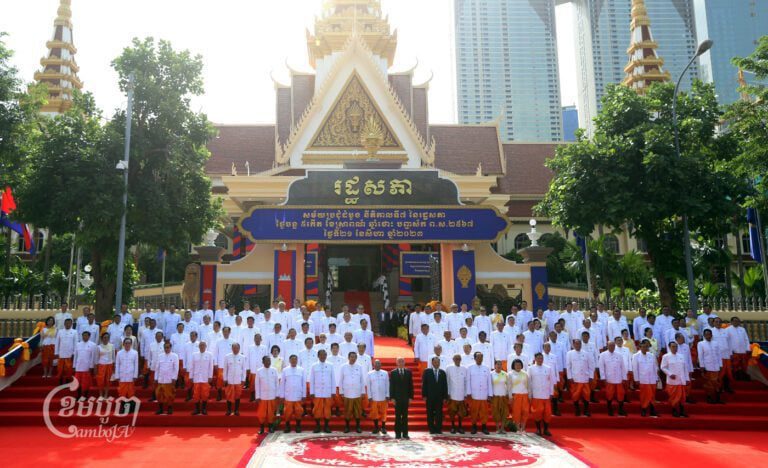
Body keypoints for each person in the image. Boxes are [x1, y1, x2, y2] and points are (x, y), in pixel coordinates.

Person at [529, 353, 556, 436]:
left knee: (547, 413)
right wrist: (530, 394)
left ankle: (546, 429)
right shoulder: (531, 368)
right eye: (538, 358)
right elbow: (529, 382)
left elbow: (552, 381)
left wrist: (551, 392)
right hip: (536, 395)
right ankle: (538, 429)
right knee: (537, 413)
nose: (540, 360)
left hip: (546, 394)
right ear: (535, 359)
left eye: (541, 358)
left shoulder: (548, 368)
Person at [598, 341, 627, 416]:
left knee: (621, 394)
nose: (612, 347)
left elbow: (623, 367)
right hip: (609, 378)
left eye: (613, 346)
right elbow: (601, 367)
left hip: (618, 378)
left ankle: (621, 410)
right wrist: (603, 378)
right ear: (607, 346)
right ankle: (610, 409)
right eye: (610, 346)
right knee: (609, 394)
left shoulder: (619, 355)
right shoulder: (602, 355)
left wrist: (624, 377)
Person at [661, 341, 689, 417]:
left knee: (682, 397)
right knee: (673, 397)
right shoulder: (666, 356)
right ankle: (674, 410)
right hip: (672, 381)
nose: (674, 348)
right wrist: (670, 374)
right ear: (669, 347)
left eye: (676, 346)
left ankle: (682, 411)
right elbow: (663, 367)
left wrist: (687, 378)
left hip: (681, 380)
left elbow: (685, 368)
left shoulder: (681, 356)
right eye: (673, 347)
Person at [466, 351, 492, 434]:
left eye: (481, 357)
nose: (480, 359)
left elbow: (489, 382)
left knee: (484, 412)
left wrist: (490, 394)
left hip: (484, 394)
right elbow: (468, 381)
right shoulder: (470, 368)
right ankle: (474, 426)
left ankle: (484, 427)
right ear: (474, 358)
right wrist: (468, 392)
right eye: (478, 357)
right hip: (474, 394)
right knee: (474, 411)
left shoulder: (486, 368)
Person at [309, 349, 335, 433]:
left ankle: (327, 426)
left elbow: (333, 379)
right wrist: (312, 392)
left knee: (327, 409)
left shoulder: (331, 365)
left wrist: (333, 391)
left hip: (327, 391)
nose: (323, 356)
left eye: (324, 355)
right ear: (318, 356)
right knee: (317, 409)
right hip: (317, 391)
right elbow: (312, 380)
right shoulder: (314, 366)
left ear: (326, 356)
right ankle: (318, 426)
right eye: (321, 355)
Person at [339, 351, 366, 433]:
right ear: (348, 357)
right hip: (347, 392)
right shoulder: (343, 367)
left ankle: (358, 426)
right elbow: (341, 380)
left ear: (356, 358)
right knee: (347, 410)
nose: (353, 358)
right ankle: (347, 426)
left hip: (357, 393)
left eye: (354, 357)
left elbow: (362, 380)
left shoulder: (360, 367)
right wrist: (341, 392)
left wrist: (363, 391)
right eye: (351, 357)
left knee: (358, 410)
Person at [566, 339, 593, 417]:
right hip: (575, 378)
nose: (578, 345)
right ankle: (577, 409)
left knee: (587, 395)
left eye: (579, 344)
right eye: (576, 344)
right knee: (575, 395)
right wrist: (569, 377)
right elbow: (568, 366)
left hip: (585, 378)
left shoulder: (586, 354)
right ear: (573, 345)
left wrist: (591, 376)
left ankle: (586, 410)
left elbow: (591, 365)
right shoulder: (569, 354)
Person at [632, 339, 659, 417]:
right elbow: (635, 368)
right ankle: (643, 409)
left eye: (646, 347)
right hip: (643, 379)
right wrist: (636, 379)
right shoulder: (636, 356)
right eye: (643, 347)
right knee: (644, 395)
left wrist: (656, 378)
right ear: (640, 347)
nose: (645, 348)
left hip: (652, 379)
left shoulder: (651, 355)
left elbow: (655, 367)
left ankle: (652, 410)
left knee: (652, 395)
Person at [422, 355, 448, 434]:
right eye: (435, 362)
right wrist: (424, 395)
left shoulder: (442, 372)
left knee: (439, 413)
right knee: (430, 413)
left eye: (438, 362)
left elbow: (445, 385)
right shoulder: (427, 371)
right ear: (432, 363)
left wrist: (445, 397)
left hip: (439, 397)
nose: (437, 363)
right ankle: (431, 429)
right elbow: (424, 384)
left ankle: (438, 429)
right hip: (430, 397)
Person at [389, 356, 414, 439]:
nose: (401, 363)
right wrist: (392, 398)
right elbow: (391, 386)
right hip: (397, 399)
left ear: (404, 362)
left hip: (406, 398)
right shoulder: (393, 373)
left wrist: (411, 397)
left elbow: (411, 386)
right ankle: (398, 433)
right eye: (399, 361)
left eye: (402, 361)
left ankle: (405, 433)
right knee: (397, 417)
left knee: (405, 417)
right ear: (396, 363)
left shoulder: (408, 372)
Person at [697, 328, 724, 404]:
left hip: (716, 366)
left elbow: (719, 354)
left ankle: (718, 398)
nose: (708, 336)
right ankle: (710, 398)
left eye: (709, 334)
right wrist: (702, 366)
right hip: (707, 366)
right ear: (704, 335)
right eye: (706, 334)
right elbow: (700, 356)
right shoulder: (701, 344)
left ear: (711, 335)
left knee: (717, 383)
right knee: (709, 383)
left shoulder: (716, 343)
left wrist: (720, 364)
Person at [280, 354, 306, 432]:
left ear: (297, 360)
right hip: (288, 395)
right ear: (289, 360)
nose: (294, 361)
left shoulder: (301, 370)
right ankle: (287, 426)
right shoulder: (285, 370)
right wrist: (282, 395)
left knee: (299, 411)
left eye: (295, 359)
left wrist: (304, 395)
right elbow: (282, 383)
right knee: (287, 412)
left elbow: (303, 383)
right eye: (292, 359)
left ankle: (298, 426)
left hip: (298, 395)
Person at [254, 355, 280, 433]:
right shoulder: (259, 371)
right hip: (263, 396)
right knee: (262, 413)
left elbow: (277, 383)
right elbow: (257, 384)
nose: (268, 362)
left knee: (271, 413)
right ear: (263, 362)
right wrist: (257, 396)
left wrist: (277, 394)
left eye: (269, 361)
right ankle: (261, 428)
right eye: (266, 361)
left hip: (272, 395)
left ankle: (270, 427)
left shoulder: (274, 370)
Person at [189, 340, 214, 415]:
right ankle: (197, 409)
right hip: (196, 377)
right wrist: (191, 376)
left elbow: (211, 366)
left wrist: (210, 376)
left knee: (205, 394)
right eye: (201, 345)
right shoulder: (194, 355)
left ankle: (204, 409)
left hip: (205, 377)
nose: (202, 347)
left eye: (203, 345)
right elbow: (192, 366)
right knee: (196, 394)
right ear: (198, 346)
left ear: (206, 346)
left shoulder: (209, 354)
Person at [155, 341, 179, 415]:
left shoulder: (175, 356)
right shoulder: (160, 356)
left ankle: (169, 408)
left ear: (170, 348)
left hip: (169, 379)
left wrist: (174, 378)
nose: (166, 349)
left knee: (169, 395)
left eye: (168, 347)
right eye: (165, 347)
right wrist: (156, 378)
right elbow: (157, 368)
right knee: (159, 394)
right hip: (161, 379)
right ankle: (161, 409)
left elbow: (176, 368)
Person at [114, 338, 139, 411]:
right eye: (126, 343)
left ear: (131, 344)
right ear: (123, 344)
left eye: (129, 343)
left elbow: (136, 364)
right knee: (122, 392)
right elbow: (117, 364)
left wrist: (135, 375)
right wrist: (117, 375)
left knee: (130, 392)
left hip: (131, 376)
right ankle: (123, 407)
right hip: (122, 376)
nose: (127, 345)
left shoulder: (135, 353)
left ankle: (131, 408)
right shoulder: (119, 353)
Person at [445, 354, 468, 433]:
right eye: (456, 359)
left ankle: (460, 426)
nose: (458, 360)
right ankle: (453, 426)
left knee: (461, 412)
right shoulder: (449, 368)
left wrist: (466, 393)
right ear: (453, 359)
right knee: (452, 412)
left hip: (461, 394)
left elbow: (466, 382)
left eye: (459, 359)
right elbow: (447, 381)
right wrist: (447, 393)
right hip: (452, 394)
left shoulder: (464, 368)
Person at [367, 359, 390, 434]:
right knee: (374, 412)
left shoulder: (385, 373)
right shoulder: (369, 374)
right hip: (374, 397)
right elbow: (368, 386)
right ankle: (376, 427)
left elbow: (387, 385)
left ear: (381, 365)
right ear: (373, 365)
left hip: (383, 397)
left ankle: (383, 427)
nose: (377, 365)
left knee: (383, 412)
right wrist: (369, 396)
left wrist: (387, 395)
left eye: (379, 364)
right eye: (376, 364)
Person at [73, 331, 97, 399]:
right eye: (83, 335)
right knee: (78, 382)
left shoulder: (93, 345)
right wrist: (74, 366)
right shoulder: (78, 344)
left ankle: (85, 396)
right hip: (78, 367)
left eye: (86, 335)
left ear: (89, 336)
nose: (84, 337)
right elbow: (75, 356)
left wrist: (91, 366)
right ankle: (78, 395)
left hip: (87, 367)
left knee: (86, 383)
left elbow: (93, 357)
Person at [490, 359, 511, 434]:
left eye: (500, 364)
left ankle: (502, 428)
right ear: (494, 365)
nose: (499, 366)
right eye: (497, 364)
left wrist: (509, 395)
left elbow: (509, 385)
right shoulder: (491, 374)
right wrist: (490, 395)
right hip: (495, 396)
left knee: (504, 413)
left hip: (503, 396)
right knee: (496, 413)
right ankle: (497, 428)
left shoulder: (505, 374)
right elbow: (490, 385)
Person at [509, 359, 530, 433]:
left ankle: (523, 428)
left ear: (522, 365)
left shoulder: (525, 373)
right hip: (515, 395)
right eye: (516, 365)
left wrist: (529, 395)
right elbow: (509, 386)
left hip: (525, 394)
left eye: (519, 364)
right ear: (513, 366)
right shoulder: (510, 374)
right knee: (516, 412)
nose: (518, 366)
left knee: (525, 411)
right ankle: (517, 428)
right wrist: (510, 397)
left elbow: (529, 385)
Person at [55, 318, 77, 384]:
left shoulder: (74, 332)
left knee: (68, 369)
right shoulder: (60, 331)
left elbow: (75, 343)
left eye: (69, 323)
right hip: (61, 353)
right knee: (60, 369)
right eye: (66, 323)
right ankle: (60, 382)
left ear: (71, 324)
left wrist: (74, 353)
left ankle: (68, 382)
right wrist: (56, 352)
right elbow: (57, 342)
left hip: (69, 354)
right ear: (64, 324)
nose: (68, 324)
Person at [95, 333, 115, 401]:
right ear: (102, 338)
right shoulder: (98, 347)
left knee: (107, 381)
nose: (105, 339)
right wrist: (96, 368)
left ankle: (106, 395)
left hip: (109, 365)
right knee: (100, 381)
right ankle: (100, 395)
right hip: (101, 365)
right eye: (104, 337)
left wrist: (114, 368)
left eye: (107, 337)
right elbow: (96, 358)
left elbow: (113, 357)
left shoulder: (112, 346)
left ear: (109, 338)